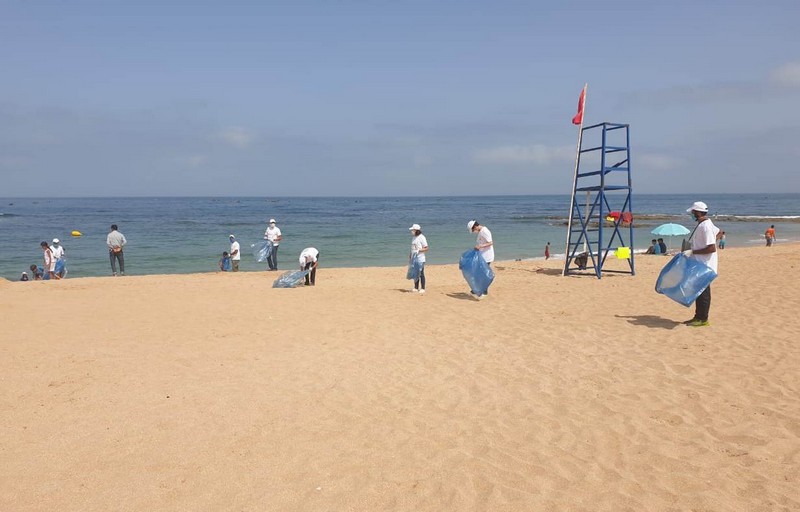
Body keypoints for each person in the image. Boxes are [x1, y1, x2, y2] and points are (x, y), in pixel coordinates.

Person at [683, 201, 720, 327]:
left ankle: (703, 319)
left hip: (705, 266)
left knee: (703, 293)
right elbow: (719, 232)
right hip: (700, 264)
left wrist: (693, 251)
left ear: (698, 212)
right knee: (699, 292)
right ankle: (698, 317)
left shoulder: (705, 226)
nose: (692, 214)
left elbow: (711, 248)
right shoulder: (704, 224)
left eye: (693, 212)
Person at [467, 220, 494, 298]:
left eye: (473, 230)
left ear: (475, 227)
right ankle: (475, 290)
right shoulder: (481, 231)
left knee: (483, 274)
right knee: (477, 272)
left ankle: (484, 292)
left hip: (487, 257)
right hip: (482, 255)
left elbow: (490, 242)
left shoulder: (485, 231)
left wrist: (480, 246)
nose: (473, 231)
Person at [409, 224, 428, 294]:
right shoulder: (414, 237)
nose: (411, 231)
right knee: (415, 273)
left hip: (420, 258)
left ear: (416, 230)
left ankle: (423, 288)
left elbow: (426, 248)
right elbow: (412, 248)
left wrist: (419, 250)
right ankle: (416, 287)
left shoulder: (422, 237)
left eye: (412, 230)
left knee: (421, 273)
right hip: (414, 258)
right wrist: (410, 255)